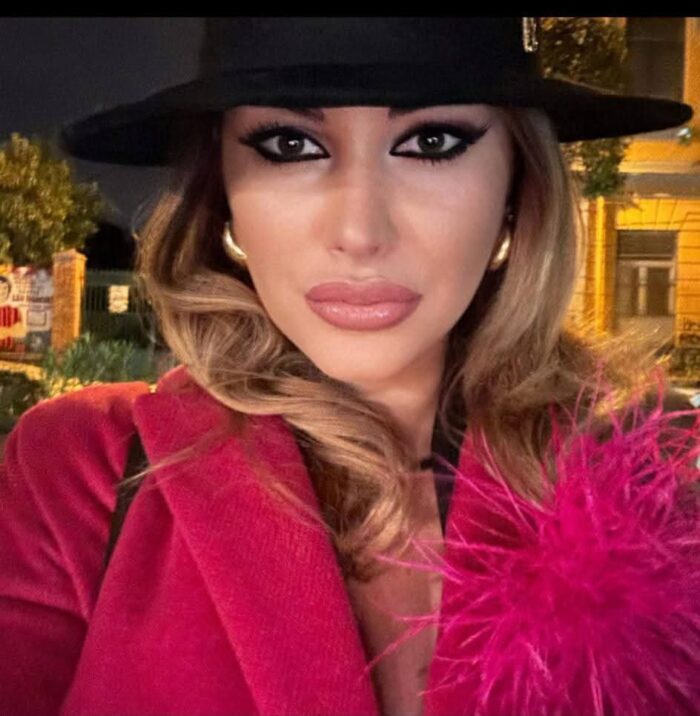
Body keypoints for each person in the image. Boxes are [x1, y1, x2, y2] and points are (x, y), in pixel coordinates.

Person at [1, 17, 698, 716]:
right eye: (291, 145)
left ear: (517, 189)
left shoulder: (659, 492)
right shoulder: (79, 471)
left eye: (431, 142)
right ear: (223, 190)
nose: (359, 233)